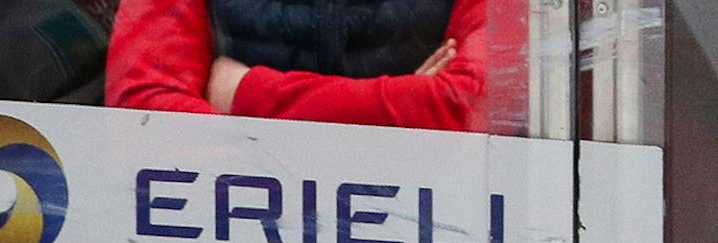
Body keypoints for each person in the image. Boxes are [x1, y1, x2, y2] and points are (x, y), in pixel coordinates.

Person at [105, 0, 486, 132]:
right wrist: (407, 107)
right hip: (238, 234)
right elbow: (145, 114)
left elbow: (477, 105)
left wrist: (245, 93)